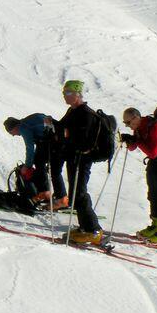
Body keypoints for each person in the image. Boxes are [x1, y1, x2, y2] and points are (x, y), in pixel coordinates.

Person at [52, 80, 104, 244]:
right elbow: (63, 128)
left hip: (82, 159)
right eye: (64, 93)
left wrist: (66, 134)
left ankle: (93, 230)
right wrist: (53, 124)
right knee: (75, 193)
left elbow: (83, 141)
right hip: (73, 158)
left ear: (78, 94)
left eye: (68, 93)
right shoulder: (73, 111)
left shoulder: (86, 114)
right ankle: (85, 227)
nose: (65, 96)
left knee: (80, 193)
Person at [121, 108, 157, 243]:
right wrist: (129, 140)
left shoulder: (155, 125)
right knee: (153, 195)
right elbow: (134, 147)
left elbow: (153, 152)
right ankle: (156, 225)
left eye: (128, 122)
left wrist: (137, 141)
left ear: (136, 117)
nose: (128, 126)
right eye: (125, 123)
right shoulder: (139, 127)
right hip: (155, 164)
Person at [3, 113, 66, 207]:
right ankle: (52, 195)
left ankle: (54, 196)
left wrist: (27, 166)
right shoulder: (28, 122)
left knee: (49, 167)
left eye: (11, 132)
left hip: (54, 142)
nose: (13, 135)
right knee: (41, 162)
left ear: (14, 127)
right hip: (58, 139)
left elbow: (30, 148)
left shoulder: (23, 127)